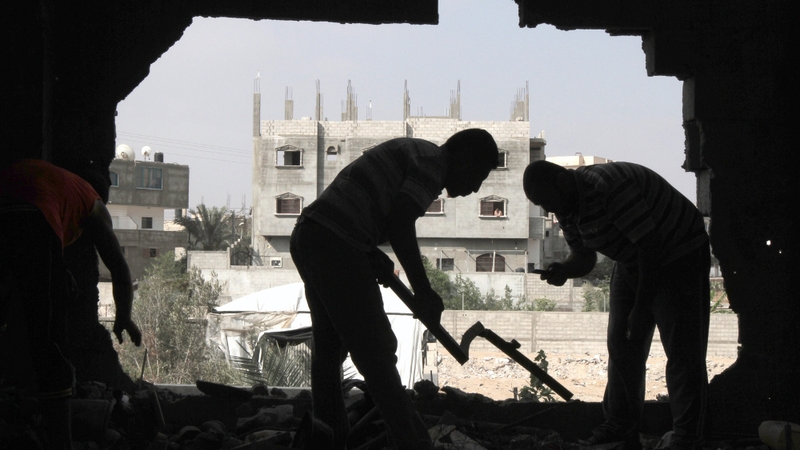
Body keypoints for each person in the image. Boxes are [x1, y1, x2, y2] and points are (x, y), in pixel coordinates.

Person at [290, 129, 498, 450]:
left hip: (311, 235)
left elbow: (369, 210)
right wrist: (424, 292)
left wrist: (373, 253)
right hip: (336, 243)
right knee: (376, 352)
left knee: (329, 352)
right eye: (479, 176)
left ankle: (326, 439)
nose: (475, 188)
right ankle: (414, 443)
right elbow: (401, 224)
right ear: (465, 158)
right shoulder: (432, 165)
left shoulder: (417, 153)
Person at [523, 160, 710, 450]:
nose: (549, 210)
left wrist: (640, 307)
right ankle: (620, 428)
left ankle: (687, 437)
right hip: (633, 259)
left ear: (561, 181)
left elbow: (650, 248)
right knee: (622, 344)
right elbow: (584, 257)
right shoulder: (567, 207)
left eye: (547, 202)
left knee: (682, 349)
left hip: (677, 253)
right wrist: (564, 269)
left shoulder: (607, 187)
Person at [0, 159, 142, 450]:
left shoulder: (55, 181)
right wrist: (123, 317)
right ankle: (60, 442)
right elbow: (118, 266)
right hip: (29, 218)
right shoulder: (92, 200)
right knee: (49, 342)